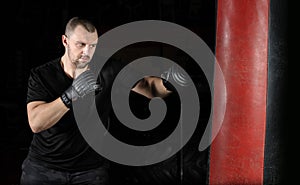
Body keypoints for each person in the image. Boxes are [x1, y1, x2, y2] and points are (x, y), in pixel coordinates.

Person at [20, 16, 109, 185]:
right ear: (65, 41)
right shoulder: (42, 75)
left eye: (92, 46)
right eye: (81, 45)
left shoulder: (107, 71)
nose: (87, 52)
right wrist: (71, 95)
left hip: (90, 171)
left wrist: (168, 82)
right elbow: (36, 123)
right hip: (43, 168)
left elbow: (148, 86)